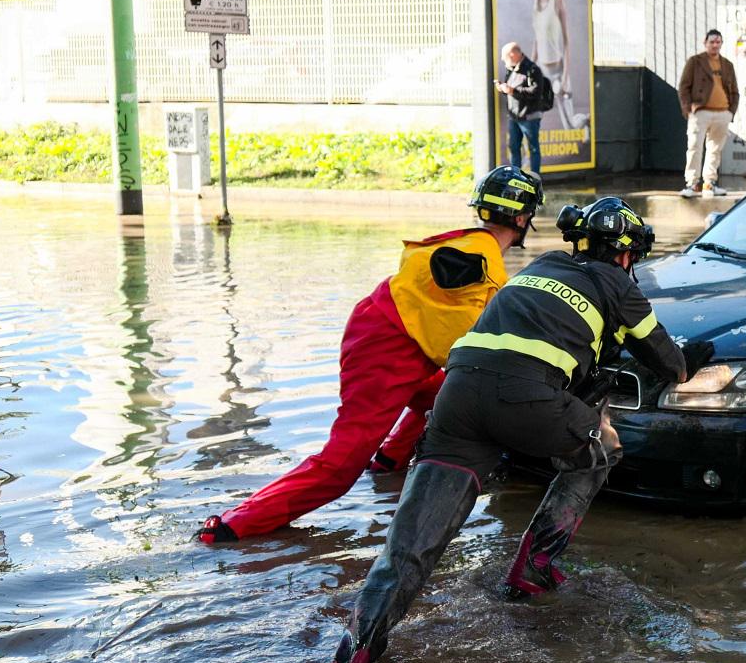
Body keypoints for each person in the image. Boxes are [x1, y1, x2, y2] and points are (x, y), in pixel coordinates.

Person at [329, 197, 687, 663]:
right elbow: (669, 363)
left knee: (414, 537)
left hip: (458, 396)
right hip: (527, 400)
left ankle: (355, 652)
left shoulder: (542, 264)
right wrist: (692, 359)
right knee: (601, 451)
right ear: (627, 253)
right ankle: (534, 567)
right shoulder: (620, 286)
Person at [197, 168, 543, 543]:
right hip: (386, 354)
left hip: (385, 333)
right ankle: (234, 525)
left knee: (446, 394)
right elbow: (467, 345)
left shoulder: (469, 243)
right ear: (523, 218)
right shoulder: (480, 262)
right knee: (340, 468)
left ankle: (389, 461)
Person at [678, 29, 739, 197]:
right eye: (712, 42)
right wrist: (689, 109)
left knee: (715, 149)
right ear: (705, 43)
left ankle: (709, 183)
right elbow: (684, 87)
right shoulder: (695, 62)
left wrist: (730, 112)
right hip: (700, 111)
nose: (715, 45)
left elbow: (734, 90)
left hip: (722, 113)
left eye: (718, 42)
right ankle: (692, 184)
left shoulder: (727, 65)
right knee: (694, 147)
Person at [531, 0, 574, 129]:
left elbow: (566, 40)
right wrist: (529, 68)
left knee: (570, 125)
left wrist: (564, 77)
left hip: (557, 70)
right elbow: (537, 38)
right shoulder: (536, 0)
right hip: (541, 70)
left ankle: (584, 122)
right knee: (533, 116)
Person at [495, 41, 550, 175]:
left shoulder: (532, 69)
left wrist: (513, 91)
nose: (503, 60)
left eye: (505, 57)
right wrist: (503, 88)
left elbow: (535, 92)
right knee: (514, 147)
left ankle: (535, 178)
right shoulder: (512, 69)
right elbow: (511, 89)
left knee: (533, 148)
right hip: (514, 116)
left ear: (513, 54)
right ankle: (516, 176)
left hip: (529, 116)